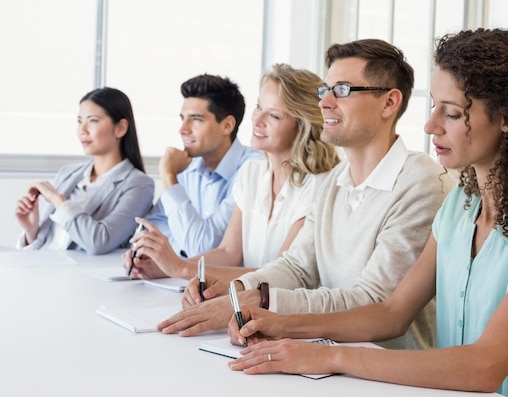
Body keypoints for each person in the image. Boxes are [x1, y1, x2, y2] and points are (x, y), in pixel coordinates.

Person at [227, 29, 508, 397]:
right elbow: (392, 313)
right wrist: (282, 325)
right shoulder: (460, 206)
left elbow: (484, 365)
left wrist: (331, 357)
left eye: (452, 113)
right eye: (435, 106)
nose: (430, 125)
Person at [157, 38, 452, 351]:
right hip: (330, 361)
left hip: (389, 378)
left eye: (342, 90)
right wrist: (235, 289)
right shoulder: (336, 180)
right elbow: (297, 267)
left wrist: (260, 300)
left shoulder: (421, 182)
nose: (324, 103)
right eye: (324, 90)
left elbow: (373, 301)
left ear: (389, 103)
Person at [124, 63, 340, 287]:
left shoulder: (319, 185)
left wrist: (180, 268)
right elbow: (229, 252)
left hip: (285, 311)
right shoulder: (252, 172)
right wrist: (163, 267)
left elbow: (282, 274)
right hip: (248, 302)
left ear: (302, 125)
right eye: (258, 107)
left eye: (274, 116)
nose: (256, 120)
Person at [123, 74, 260, 268]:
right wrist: (152, 253)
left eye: (196, 119)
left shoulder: (252, 169)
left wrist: (169, 177)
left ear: (227, 125)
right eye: (182, 118)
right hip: (180, 281)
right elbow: (148, 229)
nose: (182, 129)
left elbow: (202, 248)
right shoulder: (187, 165)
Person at [14, 87, 154, 255]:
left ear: (121, 128)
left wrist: (58, 200)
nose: (82, 129)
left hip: (80, 276)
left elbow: (100, 241)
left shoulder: (139, 185)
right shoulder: (68, 173)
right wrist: (31, 231)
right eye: (80, 121)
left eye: (92, 121)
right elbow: (48, 244)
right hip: (42, 267)